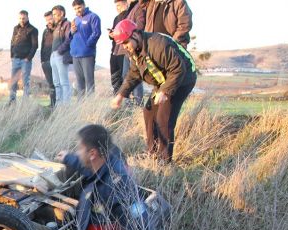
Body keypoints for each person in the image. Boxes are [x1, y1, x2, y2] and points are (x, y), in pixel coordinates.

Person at [110, 19, 197, 162]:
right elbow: (134, 74)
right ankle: (152, 154)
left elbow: (178, 69)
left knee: (164, 118)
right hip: (164, 81)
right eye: (122, 44)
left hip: (183, 78)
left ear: (135, 35)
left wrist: (165, 91)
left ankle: (164, 161)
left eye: (125, 42)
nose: (124, 47)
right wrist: (121, 95)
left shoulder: (158, 44)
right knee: (148, 112)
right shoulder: (135, 51)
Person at [70, 0, 101, 98]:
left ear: (84, 5)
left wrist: (87, 45)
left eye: (79, 7)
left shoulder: (93, 17)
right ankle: (80, 105)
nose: (77, 10)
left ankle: (90, 105)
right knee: (79, 82)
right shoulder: (75, 20)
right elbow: (70, 36)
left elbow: (96, 33)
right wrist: (71, 31)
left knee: (89, 81)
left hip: (87, 54)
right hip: (75, 55)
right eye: (75, 9)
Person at [117, 0, 146, 104]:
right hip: (128, 49)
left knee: (135, 76)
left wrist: (129, 35)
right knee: (126, 76)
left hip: (135, 46)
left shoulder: (139, 7)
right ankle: (128, 103)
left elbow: (139, 26)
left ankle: (138, 102)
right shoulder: (131, 9)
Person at [9, 10, 39, 102]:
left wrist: (28, 58)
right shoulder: (16, 28)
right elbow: (12, 42)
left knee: (26, 81)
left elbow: (35, 45)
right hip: (15, 59)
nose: (22, 20)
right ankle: (12, 101)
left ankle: (25, 102)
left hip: (25, 60)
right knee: (13, 81)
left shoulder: (33, 30)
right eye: (20, 18)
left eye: (23, 18)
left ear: (27, 18)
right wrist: (12, 55)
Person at [50, 5, 73, 104]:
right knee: (56, 82)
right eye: (53, 14)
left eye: (55, 14)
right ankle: (58, 105)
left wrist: (60, 50)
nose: (54, 16)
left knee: (64, 82)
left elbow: (69, 38)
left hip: (61, 55)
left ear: (62, 13)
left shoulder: (67, 24)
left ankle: (66, 105)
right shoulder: (56, 26)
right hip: (53, 55)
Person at [40, 10, 57, 107]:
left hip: (55, 60)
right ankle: (52, 104)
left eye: (50, 19)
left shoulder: (58, 29)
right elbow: (42, 46)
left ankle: (59, 104)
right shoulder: (45, 31)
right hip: (45, 61)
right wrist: (42, 61)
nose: (48, 22)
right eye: (47, 20)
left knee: (57, 83)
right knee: (50, 84)